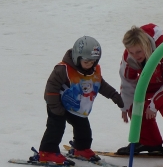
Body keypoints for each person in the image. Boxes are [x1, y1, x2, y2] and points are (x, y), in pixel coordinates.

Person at [37, 36, 124, 165]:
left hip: (76, 105)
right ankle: (47, 152)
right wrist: (55, 107)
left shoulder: (92, 70)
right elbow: (51, 87)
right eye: (86, 61)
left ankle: (81, 148)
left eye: (93, 62)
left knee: (83, 127)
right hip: (57, 104)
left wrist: (114, 95)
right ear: (77, 57)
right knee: (56, 127)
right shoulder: (63, 69)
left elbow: (100, 84)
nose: (90, 65)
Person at [117, 23, 163, 165]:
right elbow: (128, 82)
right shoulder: (129, 56)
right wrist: (126, 105)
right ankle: (149, 142)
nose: (135, 56)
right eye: (131, 52)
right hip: (160, 74)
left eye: (139, 52)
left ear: (146, 46)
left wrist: (154, 104)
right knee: (135, 100)